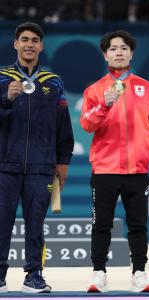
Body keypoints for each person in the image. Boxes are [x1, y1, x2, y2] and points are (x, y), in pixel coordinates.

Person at [80, 29, 149, 293]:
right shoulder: (95, 90)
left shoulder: (148, 89)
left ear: (131, 53)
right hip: (105, 169)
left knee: (138, 224)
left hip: (137, 170)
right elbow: (86, 124)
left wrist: (142, 146)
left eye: (124, 48)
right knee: (101, 224)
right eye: (113, 49)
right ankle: (99, 273)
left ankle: (139, 273)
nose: (119, 52)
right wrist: (104, 105)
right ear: (105, 54)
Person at [0, 22, 74, 293]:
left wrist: (62, 161)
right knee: (2, 221)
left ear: (41, 46)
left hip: (42, 167)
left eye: (34, 40)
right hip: (5, 165)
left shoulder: (53, 82)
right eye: (24, 40)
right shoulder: (1, 77)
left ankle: (34, 275)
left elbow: (63, 126)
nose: (29, 44)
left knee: (35, 225)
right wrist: (5, 98)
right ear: (16, 44)